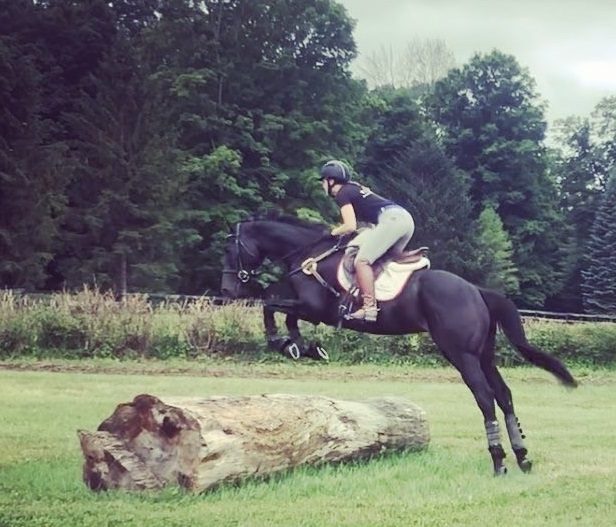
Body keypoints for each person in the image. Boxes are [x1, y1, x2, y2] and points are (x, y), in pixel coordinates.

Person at [319, 160, 415, 322]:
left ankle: (369, 308)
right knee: (379, 261)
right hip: (404, 220)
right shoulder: (355, 188)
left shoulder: (343, 193)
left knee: (362, 261)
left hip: (392, 220)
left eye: (323, 181)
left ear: (331, 181)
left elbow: (349, 226)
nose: (322, 185)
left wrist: (332, 232)